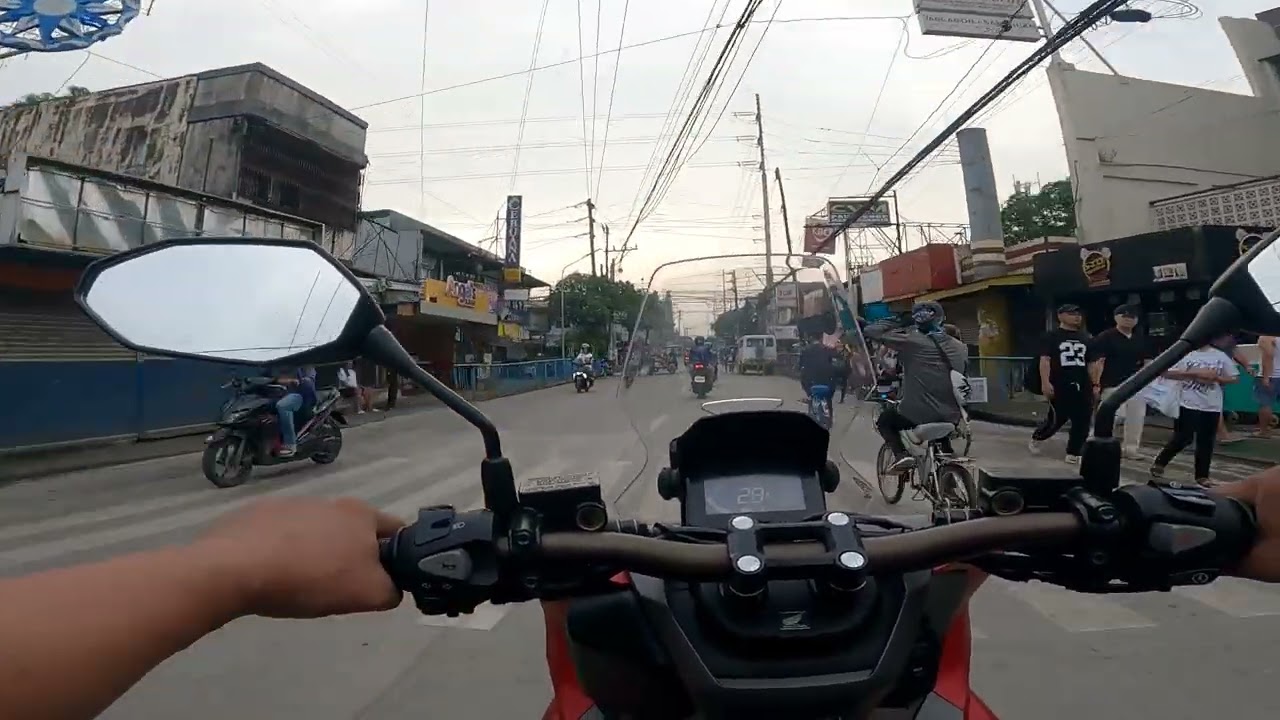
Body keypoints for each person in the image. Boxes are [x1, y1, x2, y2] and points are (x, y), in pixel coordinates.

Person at [864, 301, 968, 472]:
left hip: (917, 413)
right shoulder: (961, 347)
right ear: (942, 319)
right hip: (953, 414)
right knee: (941, 432)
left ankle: (901, 455)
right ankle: (948, 475)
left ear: (916, 320)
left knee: (885, 420)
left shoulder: (911, 341)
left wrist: (899, 320)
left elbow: (870, 331)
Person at [1150, 334, 1240, 487]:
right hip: (1187, 402)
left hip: (1211, 404)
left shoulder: (1220, 356)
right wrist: (1194, 374)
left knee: (1206, 440)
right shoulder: (1185, 354)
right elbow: (1165, 372)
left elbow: (1234, 377)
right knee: (1184, 436)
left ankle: (1202, 475)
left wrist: (1216, 378)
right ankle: (1161, 461)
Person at [1030, 304, 1093, 464]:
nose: (1076, 317)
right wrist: (1045, 382)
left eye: (1078, 313)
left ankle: (1074, 451)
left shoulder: (1086, 337)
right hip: (1060, 382)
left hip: (1082, 381)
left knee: (1083, 418)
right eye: (1072, 313)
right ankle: (1039, 436)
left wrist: (1095, 383)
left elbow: (1092, 362)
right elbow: (1045, 360)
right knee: (1057, 418)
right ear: (1060, 316)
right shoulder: (1051, 336)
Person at [1087, 304, 1151, 459]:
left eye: (1132, 317)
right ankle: (1093, 443)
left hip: (1136, 384)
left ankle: (1130, 450)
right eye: (1125, 316)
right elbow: (1097, 362)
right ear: (1116, 317)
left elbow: (1148, 360)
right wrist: (1095, 383)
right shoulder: (1105, 337)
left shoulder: (1139, 338)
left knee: (1136, 417)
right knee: (1112, 415)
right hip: (1112, 383)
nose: (1129, 319)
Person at [275, 365, 317, 457]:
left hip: (299, 395)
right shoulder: (272, 362)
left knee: (283, 406)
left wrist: (296, 381)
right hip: (276, 394)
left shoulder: (303, 363)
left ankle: (290, 444)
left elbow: (308, 380)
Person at [1255, 335, 1280, 439]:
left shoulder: (1265, 337)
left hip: (1271, 375)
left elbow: (1268, 355)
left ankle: (1263, 431)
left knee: (1265, 403)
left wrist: (1266, 377)